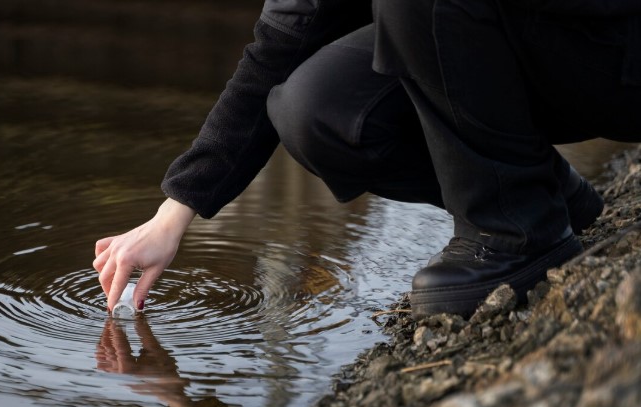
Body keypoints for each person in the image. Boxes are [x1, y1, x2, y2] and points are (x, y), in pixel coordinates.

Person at [94, 0, 641, 319]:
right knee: (317, 109)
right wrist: (174, 213)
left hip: (612, 49)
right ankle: (539, 190)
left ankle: (515, 234)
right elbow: (283, 41)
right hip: (526, 51)